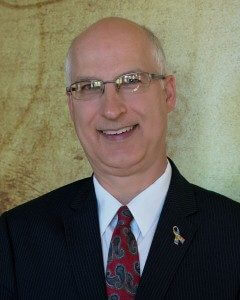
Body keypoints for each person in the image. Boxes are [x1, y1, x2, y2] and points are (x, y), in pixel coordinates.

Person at [0, 17, 240, 300]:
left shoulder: (233, 234)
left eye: (131, 81)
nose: (112, 110)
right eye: (88, 86)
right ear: (70, 107)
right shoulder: (15, 239)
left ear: (168, 93)